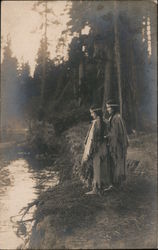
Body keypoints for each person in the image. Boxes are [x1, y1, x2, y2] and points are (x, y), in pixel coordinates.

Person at [103, 100, 129, 190]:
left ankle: (117, 184)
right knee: (115, 162)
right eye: (107, 107)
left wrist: (107, 136)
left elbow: (115, 133)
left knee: (117, 162)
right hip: (115, 142)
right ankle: (115, 184)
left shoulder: (116, 118)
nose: (107, 109)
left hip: (117, 144)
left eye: (109, 107)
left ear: (113, 108)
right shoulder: (113, 117)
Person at [81, 107, 104, 195]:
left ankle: (96, 188)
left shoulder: (96, 123)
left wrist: (90, 149)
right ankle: (98, 186)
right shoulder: (102, 121)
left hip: (96, 148)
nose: (91, 115)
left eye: (92, 113)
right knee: (98, 166)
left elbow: (93, 138)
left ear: (96, 113)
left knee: (96, 167)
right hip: (100, 147)